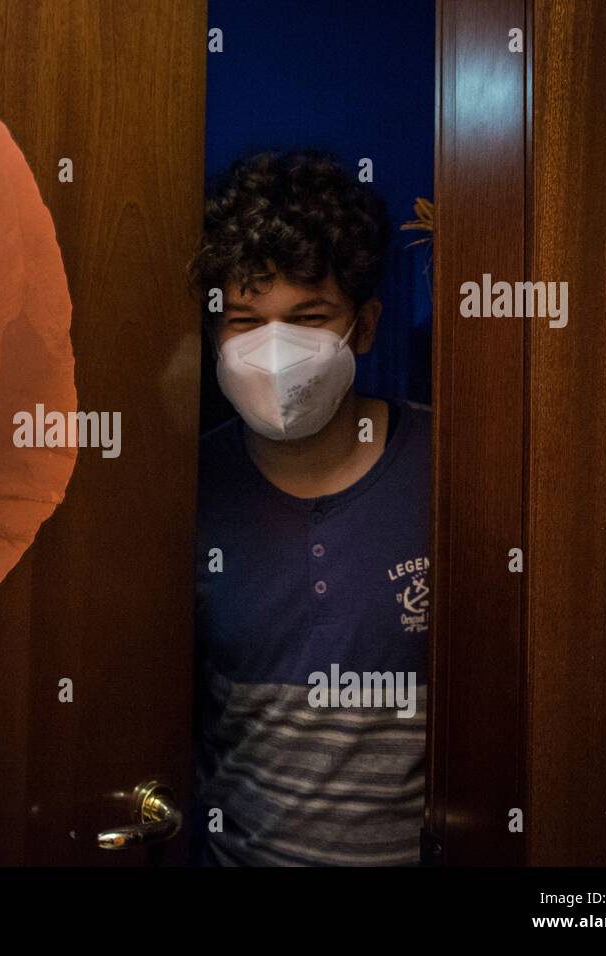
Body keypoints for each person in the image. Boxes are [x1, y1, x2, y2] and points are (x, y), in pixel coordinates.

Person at [186, 149, 430, 866]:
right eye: (243, 321)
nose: (275, 352)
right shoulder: (183, 493)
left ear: (364, 325)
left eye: (309, 316)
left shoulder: (451, 472)